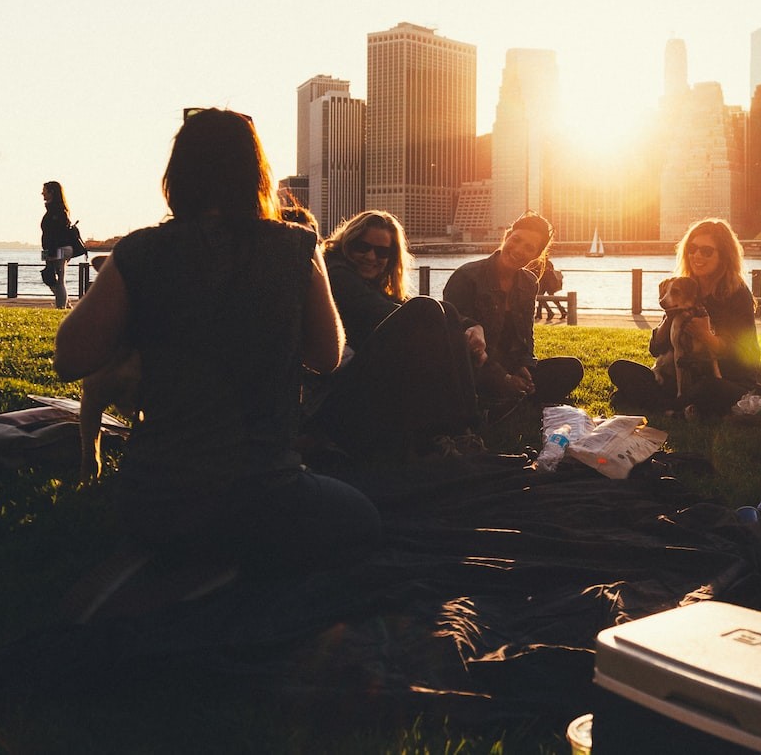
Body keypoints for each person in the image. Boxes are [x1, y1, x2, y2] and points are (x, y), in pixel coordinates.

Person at [53, 108, 380, 575]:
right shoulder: (297, 246)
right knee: (362, 518)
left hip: (155, 500)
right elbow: (327, 357)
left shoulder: (139, 250)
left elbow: (69, 358)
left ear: (177, 175)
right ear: (257, 174)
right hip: (265, 494)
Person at [308, 210, 484, 457]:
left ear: (391, 258)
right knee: (426, 310)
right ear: (348, 244)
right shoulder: (337, 273)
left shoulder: (371, 283)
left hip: (356, 389)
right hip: (333, 399)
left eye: (382, 252)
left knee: (445, 310)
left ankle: (463, 432)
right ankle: (452, 430)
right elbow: (385, 312)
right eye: (362, 247)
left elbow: (403, 304)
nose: (371, 257)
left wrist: (470, 326)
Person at [608, 218, 761, 417]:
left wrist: (708, 337)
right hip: (685, 377)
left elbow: (745, 354)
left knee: (708, 388)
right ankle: (679, 407)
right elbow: (655, 350)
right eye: (692, 248)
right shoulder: (682, 288)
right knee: (620, 369)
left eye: (706, 251)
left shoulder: (737, 294)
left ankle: (665, 405)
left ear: (724, 256)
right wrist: (668, 319)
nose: (697, 255)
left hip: (728, 379)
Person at [443, 213, 583, 406]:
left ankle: (510, 396)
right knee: (469, 374)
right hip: (475, 366)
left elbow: (526, 335)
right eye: (516, 239)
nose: (518, 250)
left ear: (536, 255)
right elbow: (458, 340)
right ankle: (503, 397)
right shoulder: (467, 276)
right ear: (507, 236)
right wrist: (504, 378)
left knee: (571, 368)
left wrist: (524, 365)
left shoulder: (529, 282)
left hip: (508, 363)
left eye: (529, 248)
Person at [40, 181, 76, 309]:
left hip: (58, 248)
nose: (42, 193)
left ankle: (61, 307)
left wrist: (51, 253)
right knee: (48, 276)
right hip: (49, 248)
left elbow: (56, 233)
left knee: (59, 277)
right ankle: (65, 303)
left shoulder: (58, 211)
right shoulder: (51, 210)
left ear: (52, 192)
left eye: (44, 190)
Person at [536, 257, 567, 323]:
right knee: (547, 297)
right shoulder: (548, 262)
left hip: (545, 283)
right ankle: (562, 311)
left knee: (541, 298)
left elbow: (541, 272)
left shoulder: (542, 263)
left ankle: (549, 312)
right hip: (548, 283)